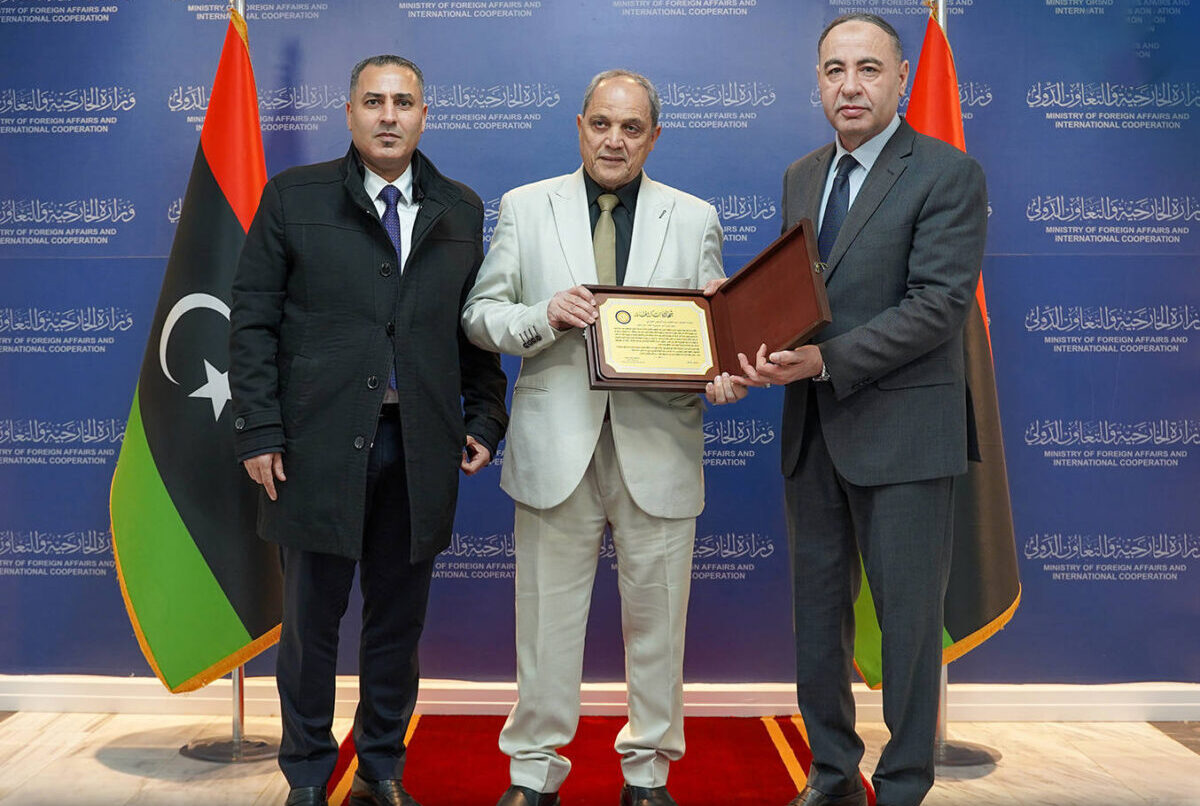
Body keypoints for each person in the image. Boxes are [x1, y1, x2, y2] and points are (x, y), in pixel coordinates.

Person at [228, 54, 508, 806]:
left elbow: (473, 328)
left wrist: (485, 415)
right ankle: (308, 777)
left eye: (404, 102)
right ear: (349, 112)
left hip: (419, 447)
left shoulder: (460, 207)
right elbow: (251, 321)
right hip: (313, 448)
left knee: (396, 625)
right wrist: (259, 429)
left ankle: (381, 769)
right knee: (310, 625)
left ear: (425, 115)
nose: (389, 116)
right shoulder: (293, 196)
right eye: (374, 101)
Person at [462, 69, 745, 806]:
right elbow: (480, 315)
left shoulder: (695, 217)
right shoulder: (525, 207)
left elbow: (714, 330)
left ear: (655, 136)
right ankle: (533, 773)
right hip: (554, 450)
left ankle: (647, 774)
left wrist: (724, 371)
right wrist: (541, 316)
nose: (614, 140)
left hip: (661, 448)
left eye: (631, 128)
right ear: (580, 127)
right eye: (601, 124)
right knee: (545, 626)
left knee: (659, 628)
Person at [734, 14, 988, 806]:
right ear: (817, 81)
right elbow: (794, 297)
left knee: (909, 627)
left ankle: (904, 782)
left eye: (869, 69)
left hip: (906, 437)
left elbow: (937, 307)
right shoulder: (801, 175)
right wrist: (742, 336)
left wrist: (825, 360)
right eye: (834, 69)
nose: (850, 85)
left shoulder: (947, 174)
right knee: (817, 622)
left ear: (902, 78)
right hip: (812, 435)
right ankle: (833, 773)